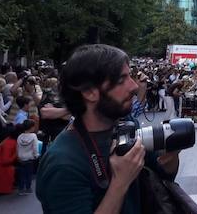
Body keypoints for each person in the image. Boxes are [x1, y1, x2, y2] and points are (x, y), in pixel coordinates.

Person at [36, 44, 181, 214]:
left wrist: (171, 156)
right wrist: (120, 183)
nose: (134, 86)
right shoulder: (63, 164)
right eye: (121, 80)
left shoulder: (125, 125)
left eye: (130, 77)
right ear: (90, 92)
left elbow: (165, 173)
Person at [16, 119, 39, 195]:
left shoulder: (19, 136)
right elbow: (35, 147)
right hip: (30, 158)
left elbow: (17, 147)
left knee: (21, 174)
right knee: (28, 174)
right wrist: (36, 155)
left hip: (21, 158)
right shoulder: (33, 136)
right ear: (32, 127)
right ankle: (28, 188)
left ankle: (21, 189)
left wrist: (18, 156)